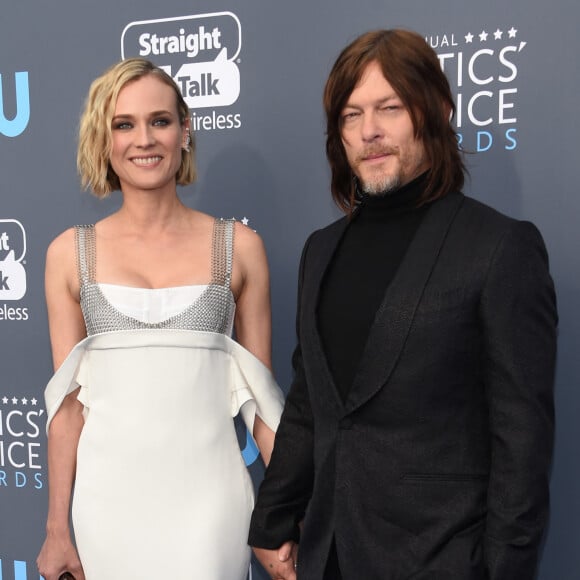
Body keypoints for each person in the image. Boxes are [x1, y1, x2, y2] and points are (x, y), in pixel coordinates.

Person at [248, 29, 557, 580]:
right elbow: (310, 403)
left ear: (435, 111)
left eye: (389, 108)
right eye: (351, 114)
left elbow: (523, 443)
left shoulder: (499, 248)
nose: (370, 131)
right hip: (328, 556)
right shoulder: (321, 249)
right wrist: (273, 518)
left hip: (442, 559)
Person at [36, 57, 284, 580]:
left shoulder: (239, 248)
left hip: (210, 506)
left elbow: (263, 404)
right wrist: (58, 528)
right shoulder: (67, 254)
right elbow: (67, 409)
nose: (144, 139)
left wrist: (286, 513)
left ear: (185, 131)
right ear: (104, 141)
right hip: (108, 509)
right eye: (124, 124)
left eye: (160, 121)